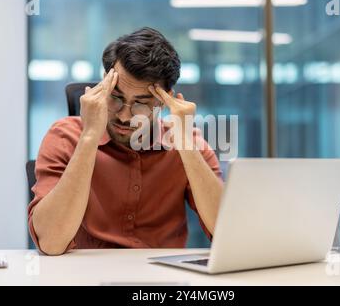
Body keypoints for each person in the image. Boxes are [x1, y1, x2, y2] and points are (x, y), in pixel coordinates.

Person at [28, 27, 223, 255]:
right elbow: (50, 242)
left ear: (165, 100)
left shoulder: (188, 143)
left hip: (161, 282)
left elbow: (227, 233)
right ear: (103, 84)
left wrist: (186, 144)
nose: (124, 116)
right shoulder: (65, 136)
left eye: (141, 103)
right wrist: (90, 137)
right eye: (116, 97)